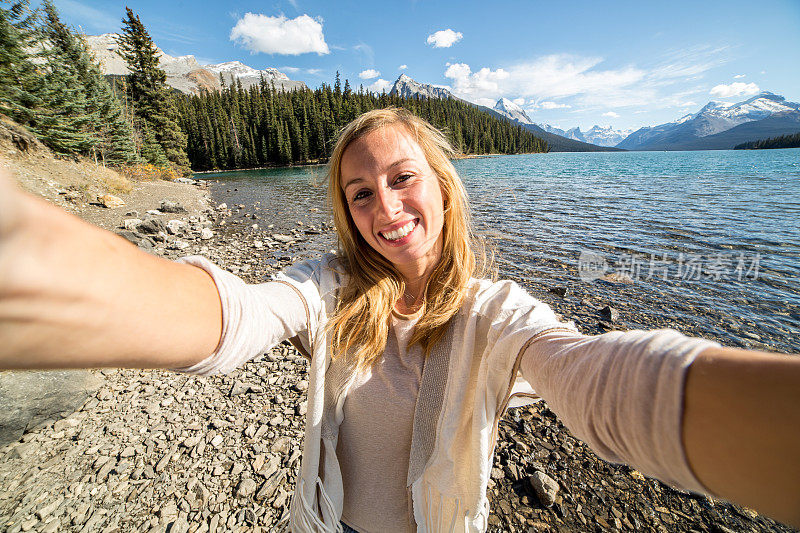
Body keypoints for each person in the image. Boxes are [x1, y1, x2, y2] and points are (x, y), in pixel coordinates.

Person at [0, 107, 798, 532]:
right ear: (347, 214)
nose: (387, 206)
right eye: (360, 192)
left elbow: (588, 375)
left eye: (403, 177)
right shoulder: (328, 290)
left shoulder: (496, 312)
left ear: (444, 189)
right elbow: (237, 315)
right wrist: (41, 276)